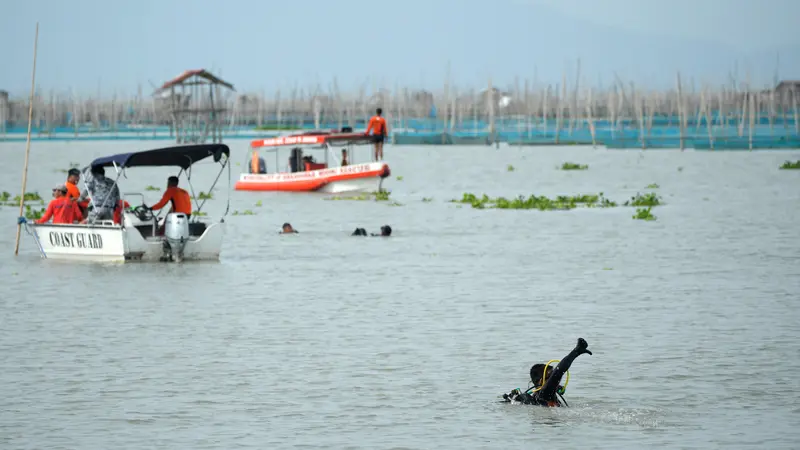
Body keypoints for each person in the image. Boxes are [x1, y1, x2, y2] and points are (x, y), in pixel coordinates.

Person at [501, 338, 592, 407]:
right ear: (541, 381)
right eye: (550, 375)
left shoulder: (545, 396)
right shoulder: (545, 394)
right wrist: (576, 352)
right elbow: (559, 372)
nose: (555, 379)